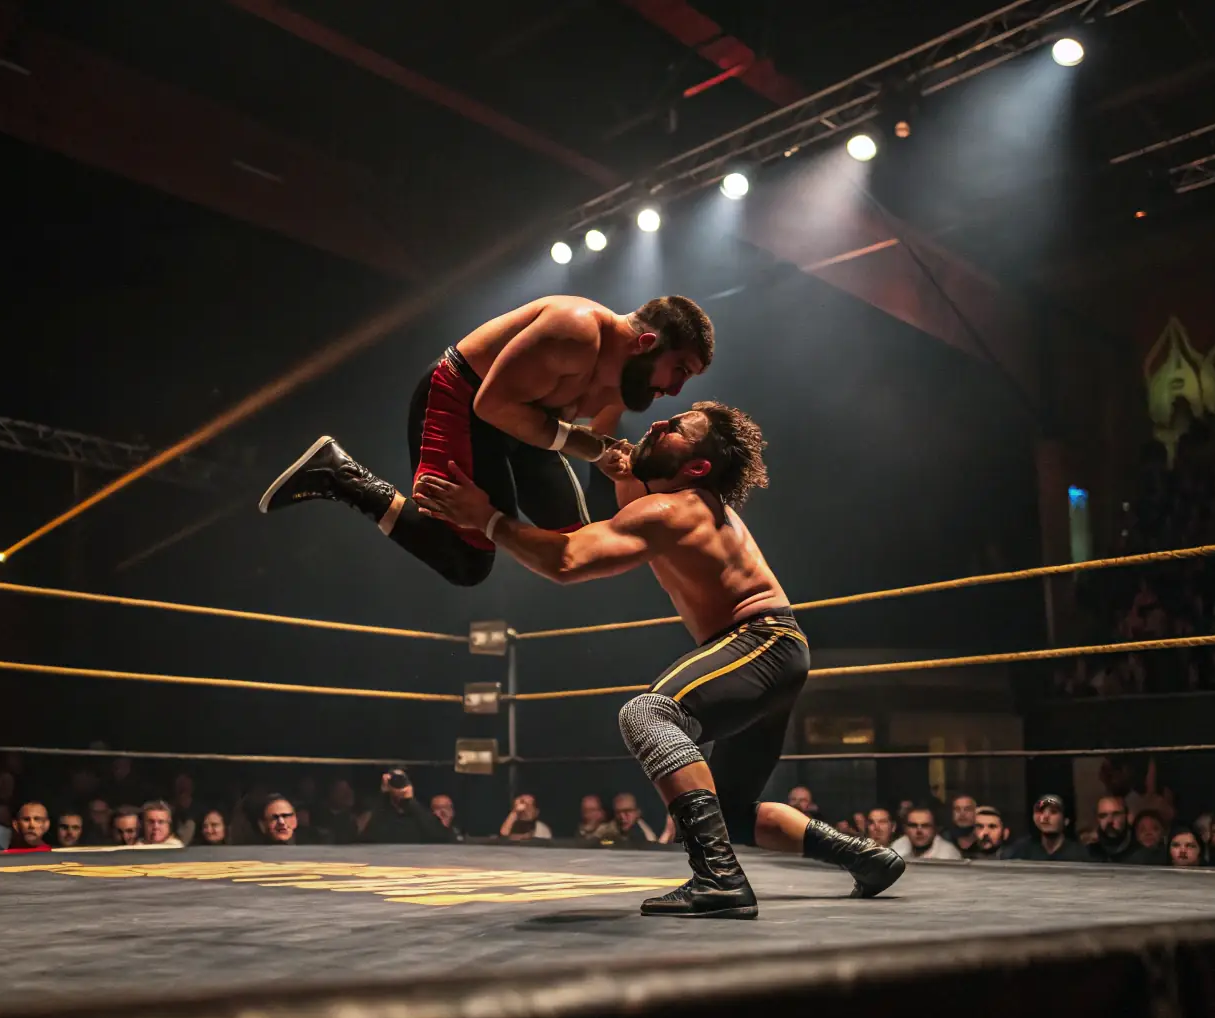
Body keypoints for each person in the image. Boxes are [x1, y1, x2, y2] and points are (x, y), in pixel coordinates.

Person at [415, 401, 903, 919]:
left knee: (647, 715)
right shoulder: (689, 508)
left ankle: (717, 878)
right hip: (772, 652)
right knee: (731, 812)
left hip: (758, 643)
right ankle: (866, 857)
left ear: (695, 467)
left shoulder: (678, 509)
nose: (658, 422)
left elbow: (567, 560)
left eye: (676, 429)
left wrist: (486, 519)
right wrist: (621, 466)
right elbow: (631, 515)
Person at [258, 295, 714, 587]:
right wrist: (491, 518)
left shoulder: (631, 381)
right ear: (647, 342)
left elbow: (597, 441)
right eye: (679, 371)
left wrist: (608, 460)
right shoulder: (574, 331)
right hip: (465, 401)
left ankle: (481, 522)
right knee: (468, 563)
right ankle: (340, 475)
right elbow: (492, 406)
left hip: (530, 426)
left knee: (577, 540)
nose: (675, 391)